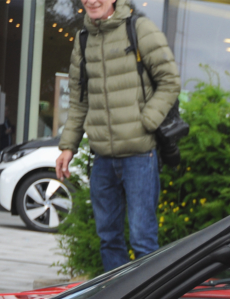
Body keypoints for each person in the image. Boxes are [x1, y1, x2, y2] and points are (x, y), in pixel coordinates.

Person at [55, 0, 180, 271]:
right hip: (102, 159)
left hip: (139, 155)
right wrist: (68, 146)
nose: (91, 1)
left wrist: (145, 121)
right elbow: (79, 101)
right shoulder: (83, 38)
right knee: (108, 239)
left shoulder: (139, 28)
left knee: (143, 240)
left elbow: (170, 81)